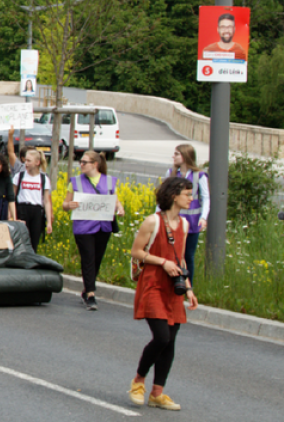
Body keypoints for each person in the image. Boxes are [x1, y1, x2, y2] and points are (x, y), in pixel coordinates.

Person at [128, 177, 199, 411]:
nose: (191, 198)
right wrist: (162, 262)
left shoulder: (185, 225)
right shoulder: (152, 222)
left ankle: (157, 393)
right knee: (161, 337)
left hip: (173, 288)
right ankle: (138, 381)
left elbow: (180, 258)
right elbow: (136, 251)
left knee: (171, 341)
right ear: (173, 196)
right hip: (153, 284)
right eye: (187, 194)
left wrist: (188, 288)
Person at [62, 150, 125, 311]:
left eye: (84, 162)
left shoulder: (109, 181)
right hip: (83, 226)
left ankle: (87, 288)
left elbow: (114, 199)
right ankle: (90, 294)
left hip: (103, 225)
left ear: (95, 164)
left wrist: (120, 207)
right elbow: (65, 204)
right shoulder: (75, 181)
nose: (81, 165)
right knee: (88, 257)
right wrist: (70, 205)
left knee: (96, 259)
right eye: (80, 162)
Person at [164, 144, 209, 281]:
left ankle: (188, 285)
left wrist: (204, 218)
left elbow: (206, 197)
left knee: (188, 255)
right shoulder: (171, 173)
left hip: (192, 222)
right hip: (173, 220)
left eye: (177, 154)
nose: (174, 156)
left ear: (185, 156)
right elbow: (163, 196)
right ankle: (173, 282)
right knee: (172, 253)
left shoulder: (199, 175)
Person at [12, 149, 52, 251]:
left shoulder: (43, 179)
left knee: (34, 241)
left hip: (37, 211)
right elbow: (12, 196)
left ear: (37, 163)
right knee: (21, 241)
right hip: (22, 209)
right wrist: (11, 215)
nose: (26, 163)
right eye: (25, 160)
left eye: (29, 161)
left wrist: (49, 222)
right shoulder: (19, 176)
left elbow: (46, 201)